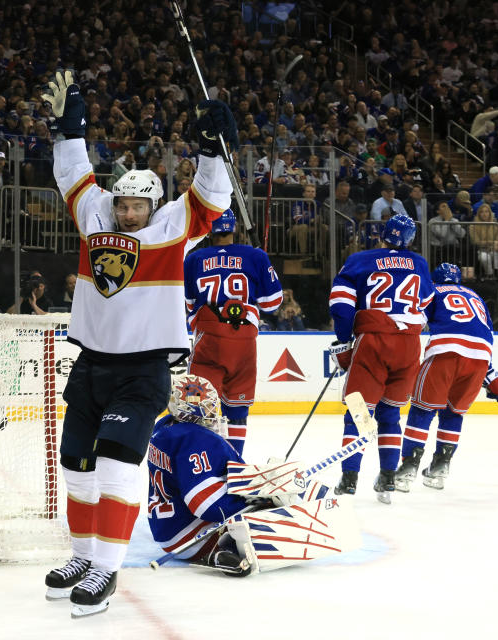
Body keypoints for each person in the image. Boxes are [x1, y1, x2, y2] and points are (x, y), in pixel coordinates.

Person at [40, 71, 234, 617]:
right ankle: (81, 557)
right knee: (75, 464)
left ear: (152, 207)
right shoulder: (92, 217)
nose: (127, 213)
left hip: (143, 371)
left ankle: (106, 568)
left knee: (118, 465)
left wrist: (212, 150)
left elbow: (211, 196)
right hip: (92, 364)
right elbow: (73, 173)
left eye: (136, 207)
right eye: (122, 205)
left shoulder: (173, 226)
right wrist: (67, 131)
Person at [147, 374, 356, 576]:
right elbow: (204, 504)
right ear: (189, 411)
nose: (212, 413)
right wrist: (256, 500)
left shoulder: (164, 429)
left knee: (275, 492)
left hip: (167, 528)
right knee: (282, 508)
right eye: (206, 408)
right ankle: (219, 551)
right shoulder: (195, 439)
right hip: (191, 536)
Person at [328, 214, 435, 503]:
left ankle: (350, 478)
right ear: (411, 240)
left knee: (359, 413)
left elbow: (340, 304)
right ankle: (388, 478)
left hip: (374, 341)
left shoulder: (361, 259)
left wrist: (343, 337)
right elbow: (427, 306)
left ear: (382, 234)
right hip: (409, 345)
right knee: (390, 416)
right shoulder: (419, 263)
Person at [394, 263, 498, 492]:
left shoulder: (432, 291)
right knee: (454, 412)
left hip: (445, 353)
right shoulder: (476, 297)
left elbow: (415, 321)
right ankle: (440, 467)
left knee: (422, 409)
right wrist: (492, 376)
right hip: (480, 359)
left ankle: (408, 468)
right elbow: (485, 335)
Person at [183, 209, 283, 455]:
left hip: (209, 338)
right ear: (234, 228)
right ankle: (234, 463)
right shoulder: (255, 256)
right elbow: (273, 303)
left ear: (209, 230)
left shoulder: (194, 259)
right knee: (237, 408)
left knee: (197, 406)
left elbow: (187, 305)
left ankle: (197, 463)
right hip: (244, 340)